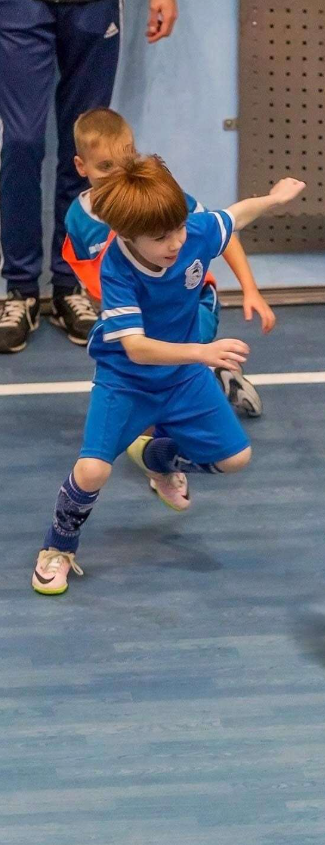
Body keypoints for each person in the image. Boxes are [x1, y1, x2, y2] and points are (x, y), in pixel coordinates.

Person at [31, 155, 305, 595]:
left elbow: (234, 217)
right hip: (126, 381)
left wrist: (273, 199)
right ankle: (58, 547)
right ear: (126, 235)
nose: (177, 242)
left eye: (179, 228)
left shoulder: (188, 233)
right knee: (93, 470)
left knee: (234, 459)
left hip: (182, 378)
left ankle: (157, 459)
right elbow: (136, 348)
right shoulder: (117, 269)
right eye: (161, 237)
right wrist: (203, 352)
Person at [64, 107, 271, 416]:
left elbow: (221, 232)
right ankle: (207, 378)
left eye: (124, 162)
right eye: (105, 166)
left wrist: (250, 289)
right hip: (147, 316)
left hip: (193, 302)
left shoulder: (162, 201)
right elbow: (95, 281)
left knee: (177, 356)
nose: (117, 174)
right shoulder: (78, 221)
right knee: (144, 367)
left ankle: (207, 376)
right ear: (82, 166)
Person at [0, 0, 178, 354]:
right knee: (21, 144)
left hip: (93, 7)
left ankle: (71, 284)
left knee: (88, 152)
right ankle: (21, 291)